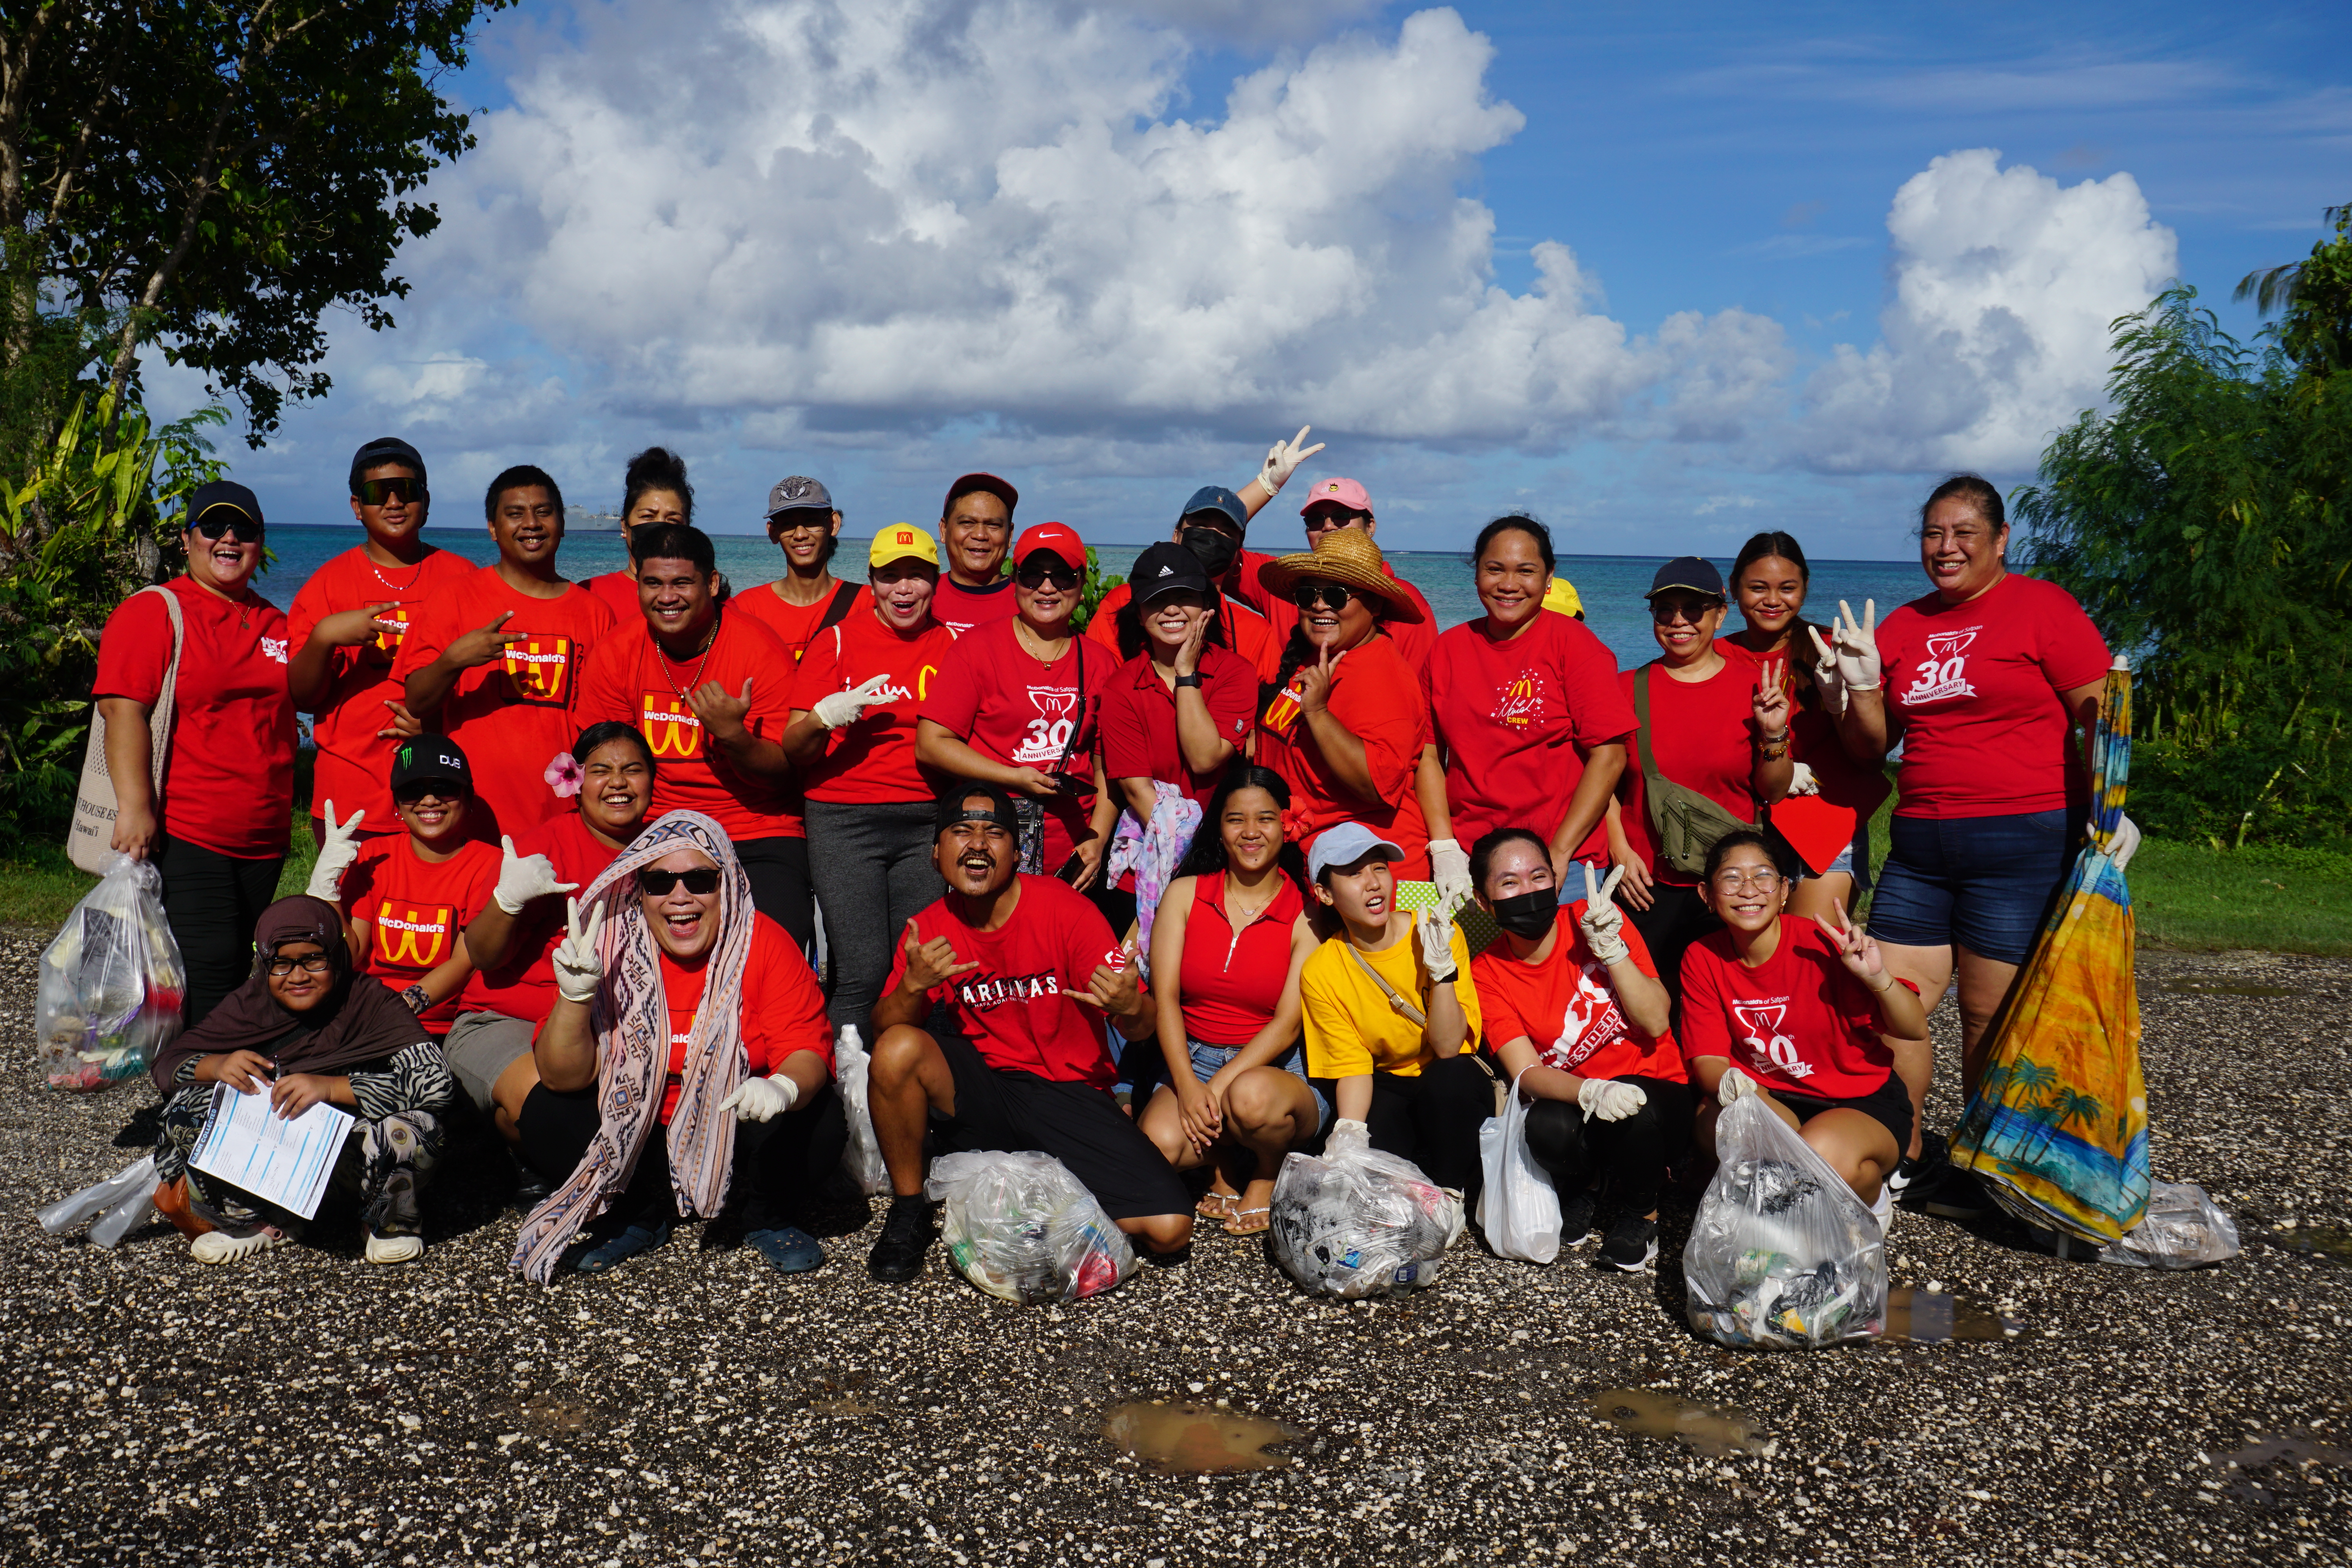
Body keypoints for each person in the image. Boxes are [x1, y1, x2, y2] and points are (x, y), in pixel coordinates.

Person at [1837, 474, 2118, 1217]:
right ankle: (1908, 1152)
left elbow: (2100, 713)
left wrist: (2112, 812)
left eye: (1963, 532)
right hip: (1922, 844)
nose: (1946, 546)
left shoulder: (2042, 608)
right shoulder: (1902, 626)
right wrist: (1861, 687)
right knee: (1891, 1002)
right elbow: (1870, 748)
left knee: (1991, 1015)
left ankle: (1986, 1164)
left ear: (2000, 540)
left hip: (2021, 840)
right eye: (1933, 533)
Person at [862, 785, 1187, 1282]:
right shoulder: (929, 927)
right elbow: (884, 1032)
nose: (976, 844)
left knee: (1169, 1230)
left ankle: (1054, 1196)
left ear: (1017, 854)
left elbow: (1140, 1024)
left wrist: (1129, 1006)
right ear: (936, 855)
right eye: (960, 831)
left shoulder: (1065, 910)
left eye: (994, 833)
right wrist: (913, 985)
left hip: (1067, 1092)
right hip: (986, 1091)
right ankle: (909, 1212)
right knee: (898, 1048)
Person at [509, 811, 843, 1280]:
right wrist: (575, 996)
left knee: (819, 1118)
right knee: (547, 1114)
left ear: (726, 885)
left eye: (701, 880)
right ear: (639, 891)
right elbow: (564, 1077)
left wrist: (784, 1087)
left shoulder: (763, 940)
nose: (680, 896)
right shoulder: (606, 947)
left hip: (734, 1119)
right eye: (660, 882)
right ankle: (637, 1218)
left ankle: (768, 1216)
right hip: (638, 1122)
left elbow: (806, 1050)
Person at [147, 896, 455, 1265]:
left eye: (313, 959)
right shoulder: (248, 1005)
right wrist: (215, 1066)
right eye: (281, 963)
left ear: (337, 955)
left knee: (415, 1129)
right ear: (263, 963)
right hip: (274, 1161)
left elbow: (437, 1081)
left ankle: (386, 1221)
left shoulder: (371, 1003)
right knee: (186, 1109)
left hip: (356, 1165)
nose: (298, 976)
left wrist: (333, 1088)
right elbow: (166, 1066)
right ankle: (255, 1221)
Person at [92, 479, 295, 1024]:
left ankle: (206, 1090)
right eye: (213, 527)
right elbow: (122, 708)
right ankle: (193, 1098)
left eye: (244, 530)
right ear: (187, 540)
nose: (229, 539)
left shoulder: (277, 622)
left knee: (239, 970)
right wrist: (136, 808)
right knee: (207, 972)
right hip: (188, 827)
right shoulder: (156, 611)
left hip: (264, 836)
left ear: (259, 542)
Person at [575, 522, 814, 948]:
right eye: (653, 583)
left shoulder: (758, 648)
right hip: (660, 827)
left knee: (779, 949)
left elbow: (784, 774)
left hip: (756, 826)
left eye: (682, 582)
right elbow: (604, 765)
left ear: (713, 583)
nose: (667, 597)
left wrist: (733, 736)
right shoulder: (617, 651)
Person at [1678, 831, 1929, 1225]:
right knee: (1713, 1125)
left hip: (1857, 1100)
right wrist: (1741, 1092)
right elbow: (1708, 1060)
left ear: (1784, 890)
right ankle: (1796, 1200)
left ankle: (1867, 1195)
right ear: (1707, 894)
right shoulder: (1702, 956)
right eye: (1731, 878)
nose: (1748, 890)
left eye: (1763, 876)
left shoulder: (1820, 943)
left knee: (1819, 1153)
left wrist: (1878, 977)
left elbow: (1913, 1027)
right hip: (1770, 1095)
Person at [1467, 829, 1687, 1272]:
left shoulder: (1593, 917)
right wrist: (1591, 1092)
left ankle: (1641, 1212)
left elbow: (1657, 1021)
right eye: (1509, 883)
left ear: (1555, 879)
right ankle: (1589, 1182)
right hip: (1585, 1098)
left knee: (1633, 1108)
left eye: (1538, 876)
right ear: (1483, 902)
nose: (1527, 891)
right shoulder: (1487, 970)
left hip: (1658, 1090)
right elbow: (1526, 1071)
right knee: (1544, 1125)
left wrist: (1613, 950)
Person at [440, 722, 655, 1169]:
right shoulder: (544, 846)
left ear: (651, 781)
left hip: (607, 1023)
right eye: (601, 770)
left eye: (632, 769)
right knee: (562, 1120)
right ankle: (515, 1144)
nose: (618, 782)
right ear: (574, 782)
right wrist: (508, 902)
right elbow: (483, 955)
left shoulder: (663, 848)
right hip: (507, 1019)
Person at [783, 524, 962, 1030]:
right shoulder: (835, 642)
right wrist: (823, 716)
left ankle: (900, 1080)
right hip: (844, 821)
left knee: (915, 967)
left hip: (926, 820)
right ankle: (849, 1092)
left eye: (917, 576)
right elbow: (794, 748)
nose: (904, 589)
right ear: (872, 581)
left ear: (936, 580)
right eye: (890, 577)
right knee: (862, 971)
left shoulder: (953, 644)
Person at [1136, 768, 1324, 1235]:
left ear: (1287, 826)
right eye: (1236, 819)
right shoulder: (1184, 894)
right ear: (1219, 829)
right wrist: (1187, 1082)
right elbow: (1165, 1000)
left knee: (1250, 1098)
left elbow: (1287, 1025)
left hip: (1279, 1068)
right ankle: (1223, 1162)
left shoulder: (1307, 914)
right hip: (1193, 1057)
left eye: (1265, 819)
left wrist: (1215, 1088)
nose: (1251, 832)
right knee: (1157, 1148)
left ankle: (1267, 1170)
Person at [1603, 556, 1793, 1005]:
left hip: (1729, 886)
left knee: (1730, 1004)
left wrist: (1775, 732)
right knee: (1648, 1007)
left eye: (1694, 609)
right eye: (1665, 610)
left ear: (1721, 614)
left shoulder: (1756, 688)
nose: (1678, 621)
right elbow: (1602, 783)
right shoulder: (1624, 688)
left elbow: (1774, 789)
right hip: (1646, 883)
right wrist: (1620, 849)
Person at [1422, 514, 1635, 908]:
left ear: (1548, 577)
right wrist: (1444, 849)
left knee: (1561, 968)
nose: (1508, 584)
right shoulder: (1446, 649)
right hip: (1472, 862)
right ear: (1476, 575)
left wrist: (1557, 854)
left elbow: (1609, 756)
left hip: (1563, 864)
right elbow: (1429, 755)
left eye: (1526, 571)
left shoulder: (1575, 645)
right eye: (1495, 569)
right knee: (1475, 968)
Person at [395, 465, 616, 842]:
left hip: (564, 819)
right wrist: (455, 660)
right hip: (473, 814)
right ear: (494, 529)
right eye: (515, 514)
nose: (531, 524)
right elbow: (416, 700)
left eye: (543, 512)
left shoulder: (594, 612)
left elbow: (604, 727)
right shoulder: (456, 598)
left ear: (562, 524)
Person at [286, 437, 474, 847]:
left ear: (425, 500)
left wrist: (436, 725)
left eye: (405, 490)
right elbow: (302, 695)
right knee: (347, 911)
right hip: (351, 790)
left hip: (441, 789)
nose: (393, 502)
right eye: (377, 493)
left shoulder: (465, 580)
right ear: (357, 506)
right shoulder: (328, 585)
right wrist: (325, 638)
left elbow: (483, 683)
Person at [1298, 822, 1487, 1218]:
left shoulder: (1439, 932)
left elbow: (1450, 1048)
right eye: (1354, 873)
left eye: (1379, 868)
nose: (1373, 883)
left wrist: (1442, 973)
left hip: (1445, 1071)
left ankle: (1452, 1194)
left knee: (1451, 1077)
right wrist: (1349, 1133)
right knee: (1373, 1177)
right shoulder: (1321, 970)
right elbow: (1352, 1065)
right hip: (1385, 1081)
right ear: (1325, 894)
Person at [917, 520, 1116, 886]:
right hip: (991, 837)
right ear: (1015, 581)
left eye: (1062, 577)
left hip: (1071, 847)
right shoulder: (975, 649)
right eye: (1032, 576)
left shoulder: (1101, 661)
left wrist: (1098, 838)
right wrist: (1014, 777)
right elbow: (932, 744)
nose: (1046, 587)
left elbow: (1108, 766)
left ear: (1081, 584)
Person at [1720, 531, 1892, 923]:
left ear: (1806, 588)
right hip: (1742, 827)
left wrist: (1851, 695)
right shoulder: (1715, 656)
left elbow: (1871, 755)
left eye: (1788, 588)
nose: (1773, 600)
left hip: (1823, 828)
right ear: (1733, 589)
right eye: (1758, 588)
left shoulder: (1832, 649)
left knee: (1809, 959)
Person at [1253, 530, 1434, 877]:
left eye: (1336, 595)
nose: (1320, 605)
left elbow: (1376, 785)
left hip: (1377, 874)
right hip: (1321, 864)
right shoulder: (1320, 657)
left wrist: (1318, 714)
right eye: (1308, 594)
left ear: (1376, 605)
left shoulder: (1381, 673)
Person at [309, 734, 500, 1041]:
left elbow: (464, 963)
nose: (429, 801)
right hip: (364, 1012)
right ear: (398, 804)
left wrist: (401, 1005)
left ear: (468, 797)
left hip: (443, 1027)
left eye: (444, 788)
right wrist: (325, 890)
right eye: (413, 791)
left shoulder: (491, 863)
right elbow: (352, 952)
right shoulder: (376, 855)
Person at [1098, 541, 1259, 815]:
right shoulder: (1121, 688)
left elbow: (1205, 759)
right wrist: (1186, 849)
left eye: (1184, 596)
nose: (1172, 610)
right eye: (1156, 600)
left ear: (1207, 604)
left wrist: (1185, 674)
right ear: (1138, 614)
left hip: (1227, 837)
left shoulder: (1236, 672)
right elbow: (1138, 791)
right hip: (1158, 838)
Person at [1084, 486, 1287, 680]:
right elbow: (1099, 678)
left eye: (1226, 532)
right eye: (1201, 525)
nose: (1211, 538)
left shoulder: (1256, 633)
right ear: (1175, 535)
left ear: (1237, 553)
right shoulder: (1123, 602)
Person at [1266, 476, 1437, 670]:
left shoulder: (1409, 599)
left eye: (1342, 516)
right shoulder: (1287, 579)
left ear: (1370, 526)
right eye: (1315, 520)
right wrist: (1267, 484)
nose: (1328, 526)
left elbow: (1419, 686)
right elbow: (1227, 545)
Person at [732, 475, 867, 663]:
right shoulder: (746, 609)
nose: (801, 535)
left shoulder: (867, 604)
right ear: (773, 533)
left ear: (833, 524)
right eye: (788, 524)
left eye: (811, 521)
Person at [579, 447, 694, 620]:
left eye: (672, 520)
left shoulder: (701, 598)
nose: (660, 527)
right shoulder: (591, 594)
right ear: (625, 526)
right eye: (648, 517)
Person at [929, 473, 1021, 634]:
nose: (980, 535)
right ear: (944, 530)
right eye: (967, 523)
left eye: (993, 525)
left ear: (1010, 535)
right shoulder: (920, 598)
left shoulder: (1030, 604)